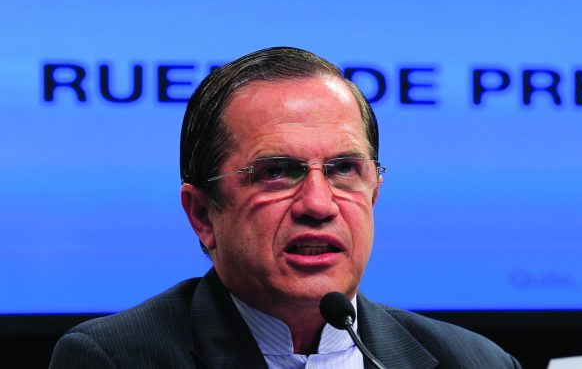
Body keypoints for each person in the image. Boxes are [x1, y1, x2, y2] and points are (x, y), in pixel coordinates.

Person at [49, 46, 522, 368]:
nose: (318, 204)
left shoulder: (477, 361)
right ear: (202, 214)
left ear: (374, 194)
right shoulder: (115, 359)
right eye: (276, 172)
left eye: (343, 170)